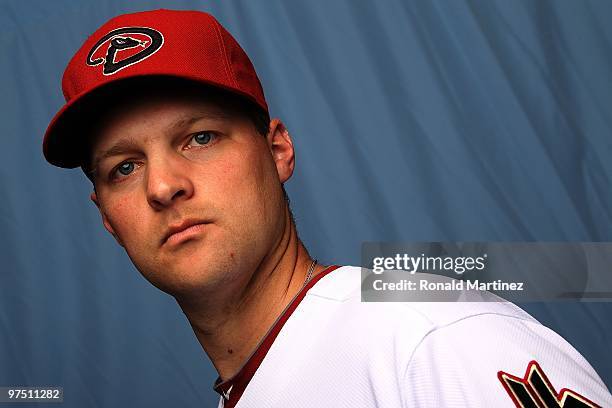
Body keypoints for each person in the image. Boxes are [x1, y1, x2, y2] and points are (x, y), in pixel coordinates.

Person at [43, 9, 611, 408]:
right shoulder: (264, 378)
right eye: (125, 167)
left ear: (278, 151)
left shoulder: (431, 334)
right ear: (105, 217)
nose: (162, 186)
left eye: (201, 138)